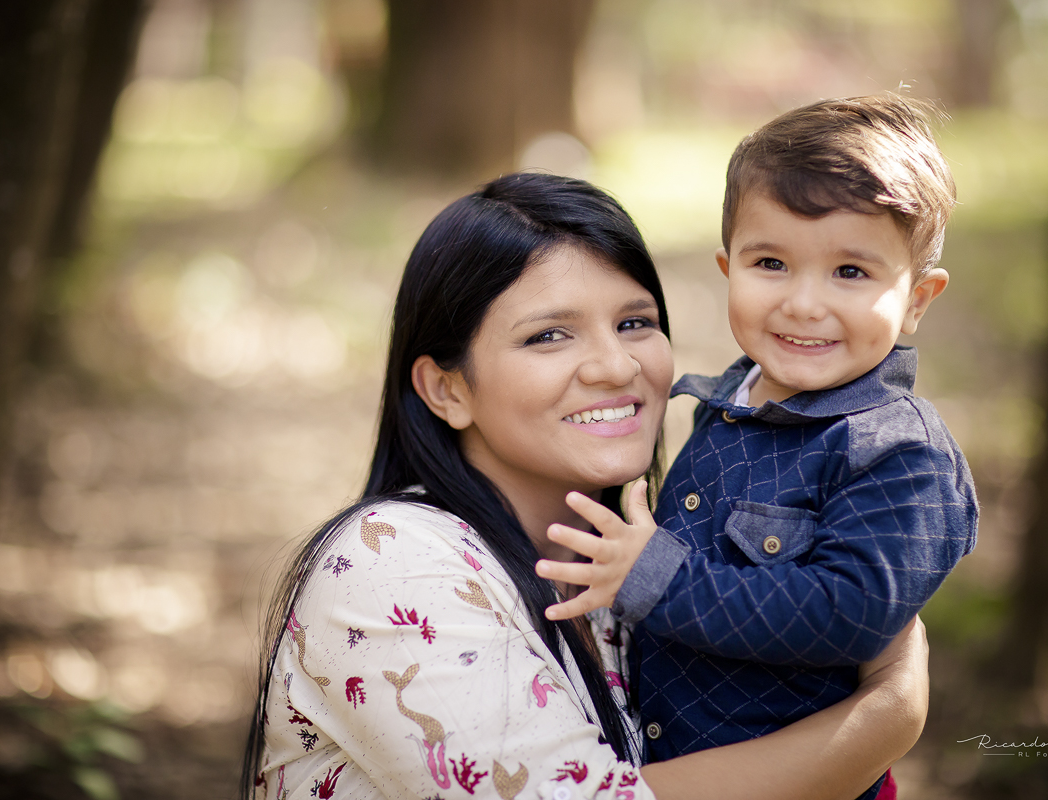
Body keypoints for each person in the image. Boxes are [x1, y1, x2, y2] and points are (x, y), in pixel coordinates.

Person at [242, 172, 931, 800]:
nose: (615, 366)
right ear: (447, 389)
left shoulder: (644, 566)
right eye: (549, 336)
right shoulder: (391, 565)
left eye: (635, 324)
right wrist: (886, 718)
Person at [537, 96, 978, 800]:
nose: (803, 303)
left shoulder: (897, 452)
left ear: (917, 299)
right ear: (729, 267)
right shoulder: (726, 406)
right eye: (771, 262)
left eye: (850, 272)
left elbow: (849, 615)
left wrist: (659, 580)